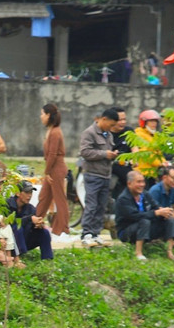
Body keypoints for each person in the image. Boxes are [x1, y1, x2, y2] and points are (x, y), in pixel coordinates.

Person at [78, 108, 122, 248]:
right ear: (104, 119)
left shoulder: (108, 134)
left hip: (105, 175)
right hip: (92, 175)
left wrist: (113, 154)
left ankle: (96, 233)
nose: (111, 128)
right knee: (91, 205)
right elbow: (85, 152)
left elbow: (107, 151)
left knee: (101, 206)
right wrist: (104, 154)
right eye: (110, 124)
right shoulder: (89, 133)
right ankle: (86, 234)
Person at [35, 103, 70, 237]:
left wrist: (47, 172)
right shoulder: (50, 130)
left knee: (59, 199)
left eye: (42, 114)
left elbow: (53, 154)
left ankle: (63, 229)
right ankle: (36, 222)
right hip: (51, 168)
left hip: (56, 168)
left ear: (48, 115)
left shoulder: (55, 132)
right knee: (44, 197)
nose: (41, 116)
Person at [114, 171, 156, 261]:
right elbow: (135, 216)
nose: (142, 184)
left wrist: (163, 211)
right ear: (129, 184)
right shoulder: (123, 198)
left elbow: (155, 206)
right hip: (126, 231)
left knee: (166, 218)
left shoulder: (145, 194)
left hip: (142, 226)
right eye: (139, 182)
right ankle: (138, 252)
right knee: (144, 221)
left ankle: (169, 249)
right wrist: (155, 213)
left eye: (143, 182)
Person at [11, 181, 52, 260]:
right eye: (26, 192)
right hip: (9, 242)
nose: (29, 195)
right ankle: (20, 255)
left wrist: (39, 224)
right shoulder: (8, 205)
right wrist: (29, 219)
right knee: (18, 228)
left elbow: (32, 226)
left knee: (44, 232)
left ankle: (47, 257)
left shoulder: (31, 208)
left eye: (31, 192)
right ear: (17, 193)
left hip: (25, 239)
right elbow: (9, 223)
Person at [129, 109, 166, 179]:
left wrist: (164, 162)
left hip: (152, 172)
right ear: (144, 122)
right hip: (142, 173)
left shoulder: (154, 135)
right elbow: (146, 154)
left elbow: (158, 153)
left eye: (155, 121)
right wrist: (160, 163)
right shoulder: (139, 135)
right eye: (151, 121)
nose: (154, 124)